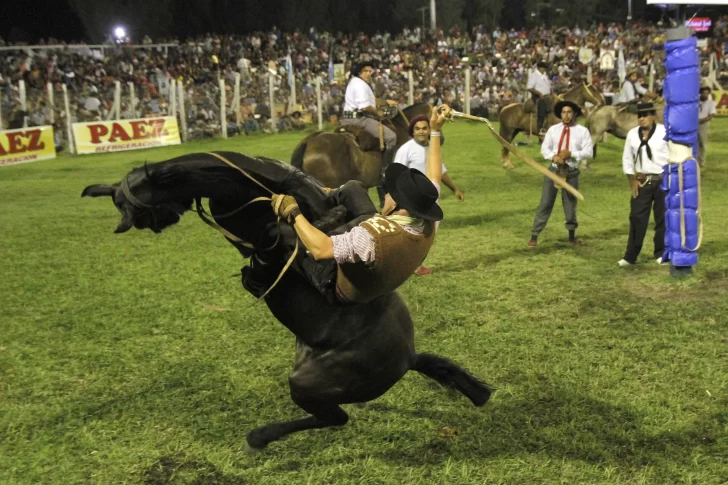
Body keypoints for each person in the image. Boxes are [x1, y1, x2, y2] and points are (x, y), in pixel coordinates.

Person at [261, 105, 451, 305]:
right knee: (353, 187)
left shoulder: (372, 238)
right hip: (383, 267)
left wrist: (294, 213)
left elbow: (321, 249)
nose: (385, 195)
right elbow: (434, 175)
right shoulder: (428, 218)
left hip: (340, 287)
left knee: (296, 240)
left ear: (395, 205)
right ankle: (324, 196)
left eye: (390, 193)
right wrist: (435, 129)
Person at [387, 113, 464, 276]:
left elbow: (440, 172)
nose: (421, 131)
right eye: (417, 129)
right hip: (411, 201)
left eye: (424, 128)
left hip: (430, 199)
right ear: (412, 132)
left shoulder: (431, 147)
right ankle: (409, 265)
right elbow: (396, 175)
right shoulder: (405, 149)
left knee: (428, 235)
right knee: (411, 234)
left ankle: (413, 264)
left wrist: (455, 189)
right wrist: (394, 198)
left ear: (429, 130)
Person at [528, 100, 593, 248]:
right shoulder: (553, 130)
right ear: (560, 114)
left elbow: (588, 152)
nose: (566, 115)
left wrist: (572, 154)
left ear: (574, 113)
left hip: (571, 172)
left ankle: (571, 236)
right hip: (553, 170)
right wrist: (554, 157)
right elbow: (545, 149)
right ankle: (534, 235)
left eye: (569, 112)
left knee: (570, 205)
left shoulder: (582, 131)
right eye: (564, 112)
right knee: (545, 203)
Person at [617, 102, 669, 267]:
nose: (642, 119)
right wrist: (631, 179)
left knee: (662, 218)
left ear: (653, 115)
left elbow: (673, 155)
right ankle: (630, 256)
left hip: (662, 179)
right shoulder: (632, 134)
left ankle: (660, 253)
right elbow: (627, 158)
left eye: (645, 115)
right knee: (637, 218)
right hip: (642, 181)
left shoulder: (664, 131)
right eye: (639, 115)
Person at [340, 60, 399, 206]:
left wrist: (386, 102)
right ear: (359, 72)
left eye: (369, 71)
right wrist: (379, 111)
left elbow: (370, 101)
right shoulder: (360, 84)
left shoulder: (356, 82)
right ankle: (385, 169)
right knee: (392, 137)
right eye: (365, 71)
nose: (368, 73)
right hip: (358, 119)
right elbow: (366, 106)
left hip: (348, 117)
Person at [526, 61, 552, 135]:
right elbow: (529, 88)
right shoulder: (534, 76)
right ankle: (540, 130)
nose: (544, 69)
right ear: (538, 68)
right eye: (542, 68)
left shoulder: (545, 76)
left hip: (547, 97)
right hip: (538, 98)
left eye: (544, 68)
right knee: (542, 112)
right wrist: (539, 93)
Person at [698, 81, 716, 168]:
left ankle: (701, 161)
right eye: (703, 93)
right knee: (693, 142)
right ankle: (694, 160)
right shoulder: (696, 101)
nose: (705, 95)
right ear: (700, 93)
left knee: (702, 143)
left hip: (703, 124)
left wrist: (702, 120)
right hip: (693, 123)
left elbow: (711, 115)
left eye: (707, 93)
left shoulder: (711, 103)